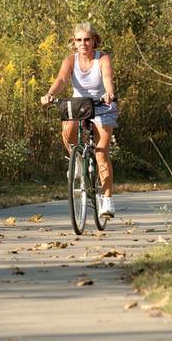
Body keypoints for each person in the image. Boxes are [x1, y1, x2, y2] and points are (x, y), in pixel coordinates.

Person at [40, 22, 118, 218]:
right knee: (68, 129)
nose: (83, 43)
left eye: (87, 39)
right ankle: (76, 160)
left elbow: (107, 77)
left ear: (94, 41)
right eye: (79, 40)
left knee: (101, 153)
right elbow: (61, 81)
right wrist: (49, 94)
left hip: (101, 105)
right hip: (79, 104)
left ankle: (107, 201)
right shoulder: (70, 60)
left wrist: (109, 93)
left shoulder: (103, 58)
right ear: (73, 43)